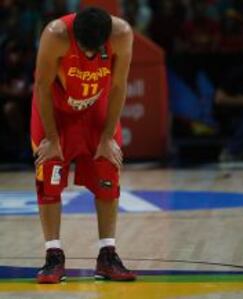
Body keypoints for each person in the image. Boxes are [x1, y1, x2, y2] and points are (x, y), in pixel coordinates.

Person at [31, 7, 135, 283]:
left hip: (95, 107)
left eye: (94, 51)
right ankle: (53, 255)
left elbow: (118, 86)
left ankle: (107, 254)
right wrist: (52, 139)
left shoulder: (122, 34)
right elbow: (41, 86)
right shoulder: (56, 34)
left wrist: (106, 137)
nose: (89, 56)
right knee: (49, 170)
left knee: (108, 167)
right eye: (84, 50)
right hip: (56, 109)